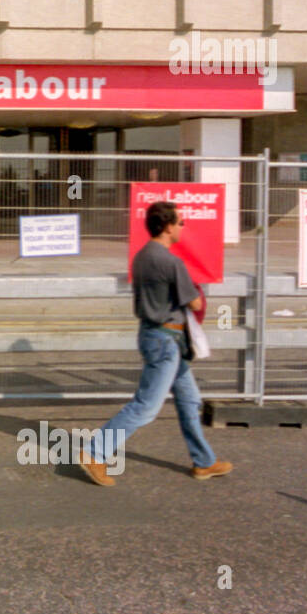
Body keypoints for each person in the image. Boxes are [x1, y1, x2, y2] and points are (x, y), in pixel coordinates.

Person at [79, 200, 232, 486]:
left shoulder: (140, 257)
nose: (183, 228)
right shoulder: (171, 261)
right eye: (181, 223)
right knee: (146, 406)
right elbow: (195, 300)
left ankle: (204, 462)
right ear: (168, 226)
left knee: (189, 400)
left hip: (152, 334)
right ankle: (94, 452)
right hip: (167, 340)